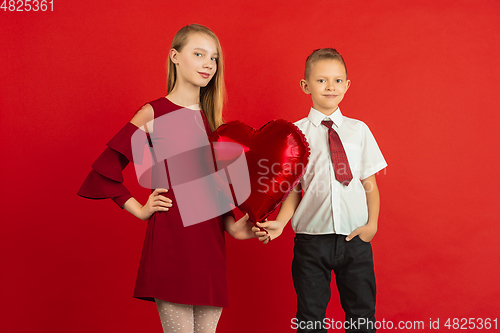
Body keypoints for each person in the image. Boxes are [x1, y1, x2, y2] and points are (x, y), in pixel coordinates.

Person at [78, 24, 254, 333]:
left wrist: (242, 227)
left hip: (210, 251)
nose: (207, 64)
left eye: (213, 58)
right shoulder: (153, 113)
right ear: (175, 56)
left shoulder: (216, 124)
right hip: (172, 245)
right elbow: (103, 170)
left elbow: (216, 198)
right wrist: (139, 209)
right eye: (198, 54)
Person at [254, 48, 387, 333]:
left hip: (355, 239)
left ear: (347, 86)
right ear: (305, 85)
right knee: (310, 318)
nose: (331, 87)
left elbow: (370, 184)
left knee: (362, 314)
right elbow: (293, 190)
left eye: (338, 81)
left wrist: (372, 225)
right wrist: (280, 222)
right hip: (311, 242)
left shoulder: (359, 131)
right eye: (322, 80)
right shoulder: (295, 135)